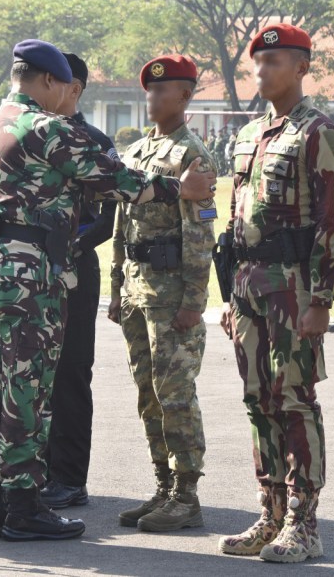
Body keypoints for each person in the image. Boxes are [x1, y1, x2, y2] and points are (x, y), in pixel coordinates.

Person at [0, 39, 215, 542]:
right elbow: (114, 180)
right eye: (65, 87)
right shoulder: (47, 127)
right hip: (26, 273)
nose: (67, 98)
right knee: (26, 387)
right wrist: (178, 188)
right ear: (49, 81)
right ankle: (24, 507)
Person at [217, 23, 334, 564]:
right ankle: (269, 514)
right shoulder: (249, 134)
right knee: (257, 399)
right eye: (258, 62)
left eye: (274, 62)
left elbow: (332, 221)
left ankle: (303, 522)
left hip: (293, 286)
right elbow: (234, 218)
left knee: (294, 398)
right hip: (248, 285)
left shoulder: (318, 132)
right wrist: (229, 295)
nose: (262, 70)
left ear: (301, 68)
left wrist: (321, 300)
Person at [107, 54, 216, 533]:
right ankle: (163, 486)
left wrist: (194, 301)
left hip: (172, 295)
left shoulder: (193, 155)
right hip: (137, 290)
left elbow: (201, 234)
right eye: (149, 89)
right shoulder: (136, 153)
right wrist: (116, 288)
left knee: (176, 394)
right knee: (148, 394)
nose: (152, 97)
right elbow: (121, 226)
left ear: (185, 96)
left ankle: (186, 495)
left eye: (162, 89)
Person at [40, 53, 117, 510]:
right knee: (34, 374)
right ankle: (35, 471)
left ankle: (68, 478)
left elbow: (106, 220)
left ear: (75, 89)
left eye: (54, 81)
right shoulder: (36, 135)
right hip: (32, 273)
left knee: (69, 374)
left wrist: (66, 246)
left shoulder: (95, 142)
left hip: (73, 271)